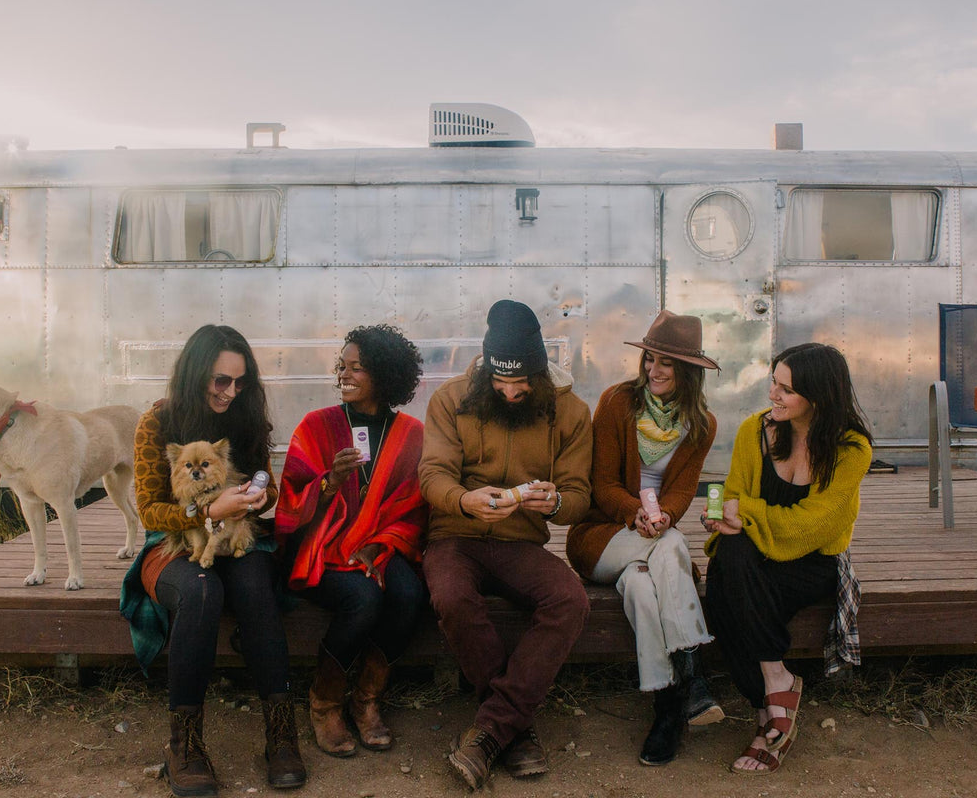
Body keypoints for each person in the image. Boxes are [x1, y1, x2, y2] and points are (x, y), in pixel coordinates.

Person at [120, 325, 306, 797]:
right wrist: (205, 509)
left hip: (237, 536)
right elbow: (149, 510)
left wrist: (257, 499)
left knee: (251, 585)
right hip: (175, 543)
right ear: (196, 374)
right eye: (222, 380)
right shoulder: (156, 422)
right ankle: (185, 745)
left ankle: (281, 733)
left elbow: (269, 486)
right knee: (203, 590)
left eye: (240, 382)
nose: (231, 391)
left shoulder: (245, 420)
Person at [419, 298, 593, 790]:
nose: (512, 393)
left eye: (522, 385)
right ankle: (514, 731)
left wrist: (554, 504)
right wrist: (463, 499)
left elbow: (580, 497)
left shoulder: (572, 412)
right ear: (485, 370)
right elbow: (431, 475)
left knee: (570, 599)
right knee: (452, 597)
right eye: (501, 384)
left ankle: (490, 730)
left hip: (521, 542)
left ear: (540, 375)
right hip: (455, 534)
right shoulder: (451, 399)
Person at [701, 342, 872, 776]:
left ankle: (766, 712)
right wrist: (723, 516)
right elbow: (735, 496)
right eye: (773, 382)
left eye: (785, 389)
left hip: (812, 563)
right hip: (754, 557)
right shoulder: (753, 431)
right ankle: (775, 686)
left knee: (724, 593)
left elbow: (811, 527)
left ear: (819, 397)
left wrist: (746, 515)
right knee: (732, 557)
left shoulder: (852, 450)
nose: (772, 395)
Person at [566, 309, 721, 767]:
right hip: (602, 536)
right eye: (650, 359)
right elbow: (602, 483)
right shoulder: (617, 402)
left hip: (649, 545)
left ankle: (667, 708)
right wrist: (636, 514)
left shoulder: (702, 425)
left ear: (688, 371)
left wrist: (666, 515)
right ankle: (693, 675)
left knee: (640, 583)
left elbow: (682, 490)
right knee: (672, 547)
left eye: (666, 363)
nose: (653, 370)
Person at [276, 324, 429, 757]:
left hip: (381, 544)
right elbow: (290, 504)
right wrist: (330, 482)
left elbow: (413, 507)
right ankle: (324, 702)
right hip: (321, 547)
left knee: (407, 592)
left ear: (383, 374)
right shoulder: (317, 426)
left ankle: (366, 699)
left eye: (356, 368)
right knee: (363, 599)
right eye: (341, 366)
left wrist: (378, 544)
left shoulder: (410, 434)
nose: (344, 374)